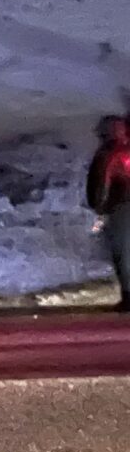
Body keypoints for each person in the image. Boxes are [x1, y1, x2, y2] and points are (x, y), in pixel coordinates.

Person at [88, 116, 130, 311]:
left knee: (122, 252)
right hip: (120, 206)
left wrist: (100, 208)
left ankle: (129, 296)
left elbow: (103, 184)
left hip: (120, 207)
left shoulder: (112, 154)